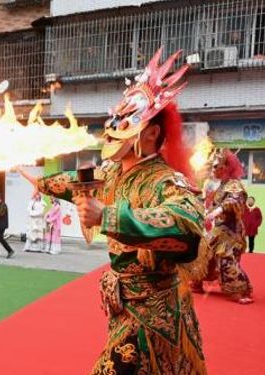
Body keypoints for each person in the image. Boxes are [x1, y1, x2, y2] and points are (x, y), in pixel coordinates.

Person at [19, 49, 207, 373]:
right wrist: (42, 182)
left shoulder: (166, 181)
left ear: (151, 133)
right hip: (122, 306)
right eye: (115, 117)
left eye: (127, 120)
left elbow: (185, 228)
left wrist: (105, 216)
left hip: (153, 313)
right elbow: (74, 182)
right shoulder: (112, 172)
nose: (113, 126)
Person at [191, 149, 254, 304]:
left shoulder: (234, 185)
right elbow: (214, 205)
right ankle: (196, 282)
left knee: (225, 256)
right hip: (220, 228)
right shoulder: (222, 185)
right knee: (203, 249)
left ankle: (238, 289)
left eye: (216, 166)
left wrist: (218, 210)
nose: (213, 169)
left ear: (225, 167)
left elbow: (233, 201)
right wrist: (208, 212)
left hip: (231, 231)